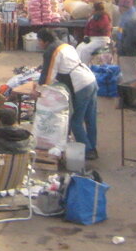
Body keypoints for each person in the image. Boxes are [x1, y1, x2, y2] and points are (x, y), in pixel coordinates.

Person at [36, 28, 99, 160]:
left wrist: (38, 90)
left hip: (81, 85)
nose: (38, 44)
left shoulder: (51, 50)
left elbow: (48, 77)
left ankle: (87, 150)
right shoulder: (65, 45)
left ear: (45, 41)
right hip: (90, 79)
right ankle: (92, 147)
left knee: (75, 120)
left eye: (39, 41)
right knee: (90, 117)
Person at [116, 0, 136, 83]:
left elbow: (130, 39)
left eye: (120, 6)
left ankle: (132, 93)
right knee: (128, 74)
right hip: (126, 52)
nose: (119, 9)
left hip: (128, 53)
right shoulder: (126, 16)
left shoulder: (131, 19)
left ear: (124, 7)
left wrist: (121, 50)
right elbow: (122, 33)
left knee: (130, 76)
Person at [76, 0, 113, 65]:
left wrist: (95, 21)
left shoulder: (104, 16)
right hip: (92, 39)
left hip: (101, 39)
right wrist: (86, 35)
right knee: (79, 47)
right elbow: (87, 27)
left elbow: (101, 27)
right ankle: (78, 65)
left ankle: (85, 66)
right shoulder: (93, 16)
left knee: (85, 50)